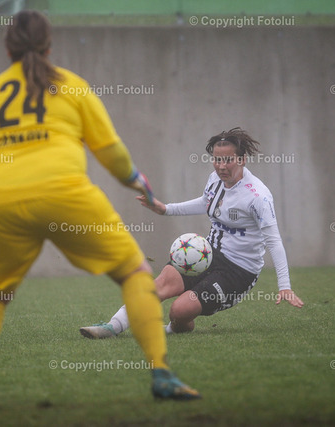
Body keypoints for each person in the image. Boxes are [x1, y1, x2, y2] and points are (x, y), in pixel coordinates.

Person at [0, 10, 200, 412]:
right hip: (66, 197)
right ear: (49, 46)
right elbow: (111, 153)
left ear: (7, 49)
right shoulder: (71, 86)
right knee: (135, 273)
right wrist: (137, 180)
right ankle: (161, 375)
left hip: (2, 203)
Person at [80, 127, 304, 339]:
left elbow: (274, 241)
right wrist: (166, 209)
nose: (221, 166)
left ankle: (173, 327)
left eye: (228, 160)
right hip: (207, 253)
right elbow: (206, 202)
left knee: (179, 311)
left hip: (238, 271)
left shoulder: (257, 196)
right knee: (160, 284)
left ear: (242, 159)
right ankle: (112, 326)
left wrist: (284, 285)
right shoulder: (215, 179)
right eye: (216, 159)